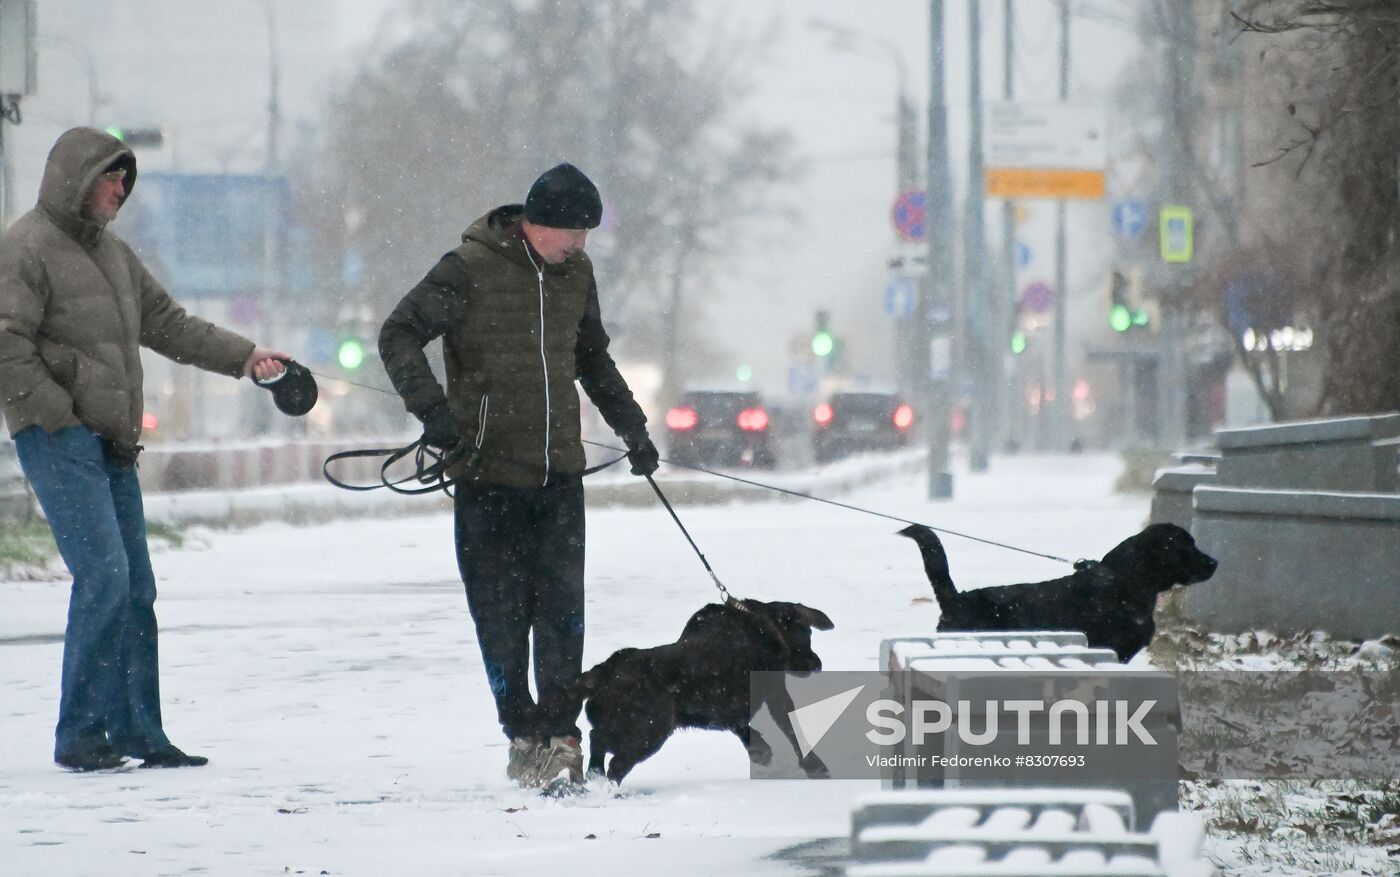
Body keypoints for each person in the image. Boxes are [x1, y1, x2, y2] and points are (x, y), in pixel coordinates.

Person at [0, 127, 290, 771]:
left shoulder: (115, 255)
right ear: (76, 178)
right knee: (103, 577)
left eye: (125, 179)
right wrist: (57, 416)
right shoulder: (24, 248)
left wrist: (246, 358)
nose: (121, 189)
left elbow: (169, 324)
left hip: (114, 443)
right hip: (60, 441)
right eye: (111, 176)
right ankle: (80, 733)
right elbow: (6, 344)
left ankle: (136, 730)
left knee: (135, 588)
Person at [378, 163, 660, 788]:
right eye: (571, 233)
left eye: (587, 234)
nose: (579, 245)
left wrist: (632, 426)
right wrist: (434, 410)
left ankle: (562, 737)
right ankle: (522, 735)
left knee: (562, 613)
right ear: (534, 223)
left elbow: (592, 358)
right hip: (486, 476)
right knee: (502, 619)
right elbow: (398, 334)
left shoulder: (576, 275)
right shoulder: (469, 269)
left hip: (560, 475)